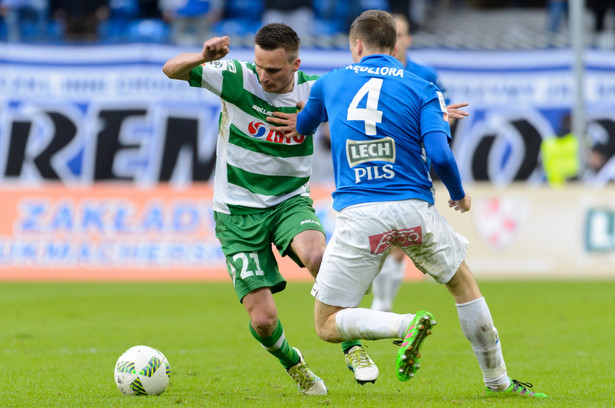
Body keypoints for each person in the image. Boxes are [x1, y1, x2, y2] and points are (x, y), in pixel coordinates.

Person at [288, 9, 549, 397]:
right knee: (464, 285)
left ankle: (403, 324)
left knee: (327, 323)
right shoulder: (423, 88)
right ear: (396, 46)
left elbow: (305, 127)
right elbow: (441, 157)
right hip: (414, 210)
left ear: (356, 46)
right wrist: (458, 194)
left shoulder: (330, 83)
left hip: (359, 213)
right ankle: (499, 382)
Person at [162, 22, 378, 395]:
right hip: (235, 212)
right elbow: (170, 69)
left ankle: (352, 345)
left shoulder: (316, 90)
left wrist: (435, 114)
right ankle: (295, 365)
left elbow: (376, 105)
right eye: (260, 66)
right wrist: (202, 56)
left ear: (296, 64)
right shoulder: (238, 78)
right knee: (263, 320)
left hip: (289, 201)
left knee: (318, 256)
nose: (264, 76)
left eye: (274, 70)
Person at [370, 12, 466, 313]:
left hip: (411, 167)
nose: (395, 40)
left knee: (398, 242)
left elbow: (445, 121)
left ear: (408, 39)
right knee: (381, 242)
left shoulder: (425, 75)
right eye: (390, 34)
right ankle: (380, 303)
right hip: (373, 164)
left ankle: (381, 305)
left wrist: (434, 124)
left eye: (400, 34)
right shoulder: (367, 74)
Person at [540, 113, 579, 187]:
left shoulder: (548, 143)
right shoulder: (577, 141)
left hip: (554, 183)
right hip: (572, 184)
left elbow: (542, 164)